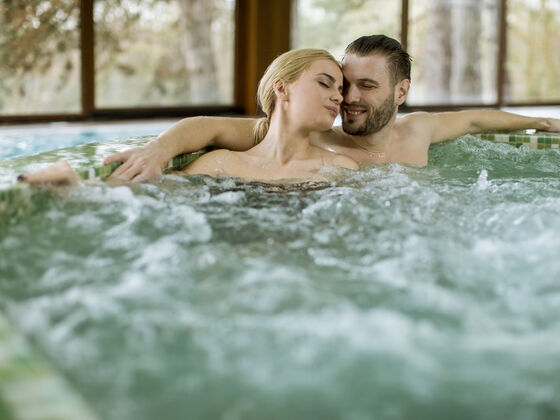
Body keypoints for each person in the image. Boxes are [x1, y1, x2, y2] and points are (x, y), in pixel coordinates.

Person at [103, 34, 560, 182]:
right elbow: (208, 128)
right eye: (340, 84)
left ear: (401, 93)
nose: (348, 99)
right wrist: (159, 151)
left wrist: (543, 120)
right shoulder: (317, 137)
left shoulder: (420, 131)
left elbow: (479, 119)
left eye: (364, 86)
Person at [19, 49, 358, 185]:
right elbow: (151, 202)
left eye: (340, 89)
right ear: (282, 89)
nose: (337, 96)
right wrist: (79, 187)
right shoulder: (222, 164)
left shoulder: (340, 169)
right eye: (325, 83)